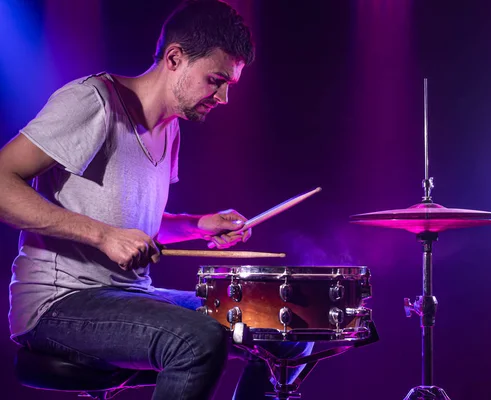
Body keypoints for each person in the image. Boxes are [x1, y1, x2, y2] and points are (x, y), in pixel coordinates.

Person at [0, 1, 312, 399]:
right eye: (216, 80)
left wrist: (199, 226)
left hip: (130, 294)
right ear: (175, 58)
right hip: (59, 303)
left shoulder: (170, 129)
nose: (223, 97)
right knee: (198, 339)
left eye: (229, 85)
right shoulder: (94, 102)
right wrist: (103, 236)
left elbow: (135, 225)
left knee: (282, 326)